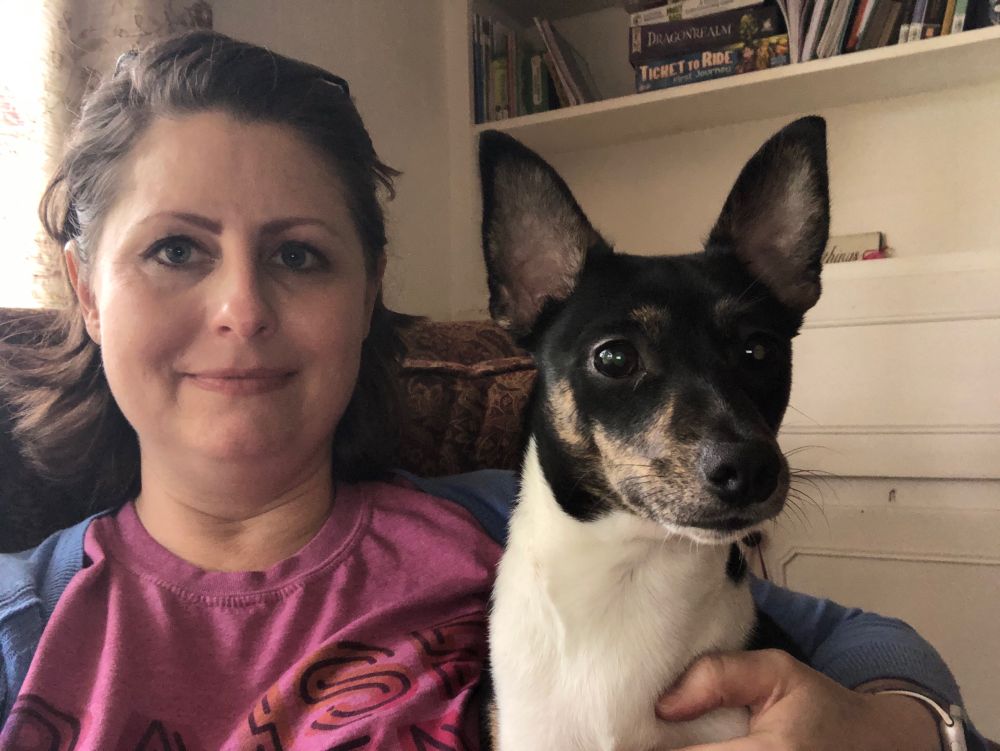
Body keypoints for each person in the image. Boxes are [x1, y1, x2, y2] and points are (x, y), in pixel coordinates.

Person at [0, 30, 988, 750]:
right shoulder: (21, 629)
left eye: (299, 255)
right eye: (175, 250)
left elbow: (857, 639)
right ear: (85, 291)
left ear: (368, 295)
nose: (242, 310)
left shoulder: (507, 524)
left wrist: (899, 726)